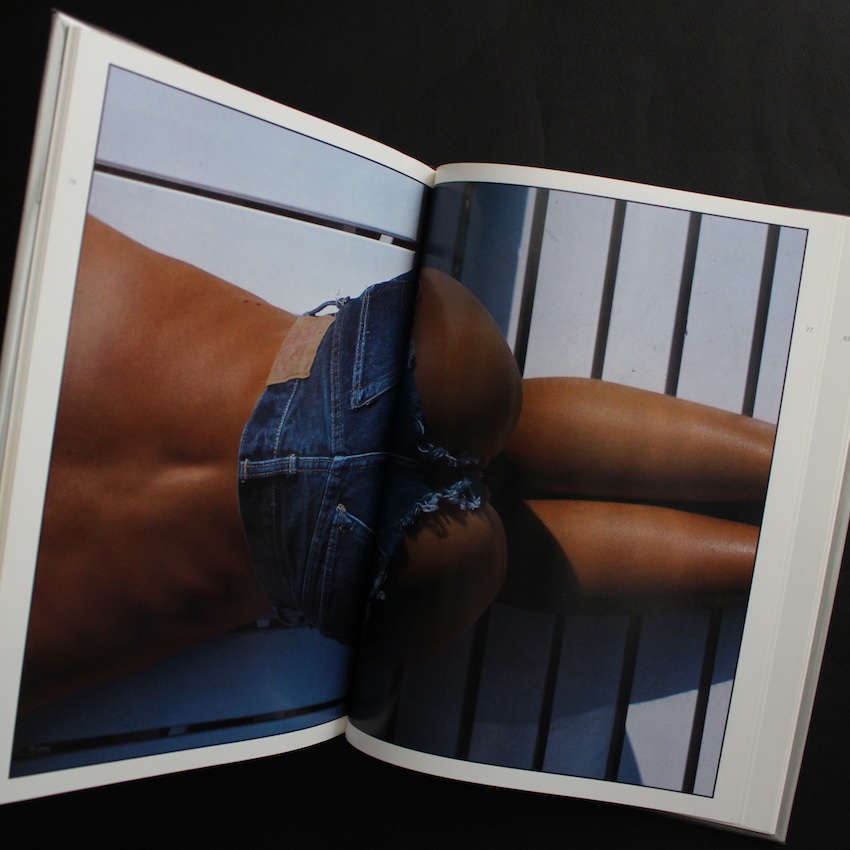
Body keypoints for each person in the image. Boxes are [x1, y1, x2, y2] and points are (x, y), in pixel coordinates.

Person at [18, 214, 773, 711]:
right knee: (490, 414)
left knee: (486, 555)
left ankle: (788, 577)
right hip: (360, 371)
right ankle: (800, 469)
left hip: (331, 558)